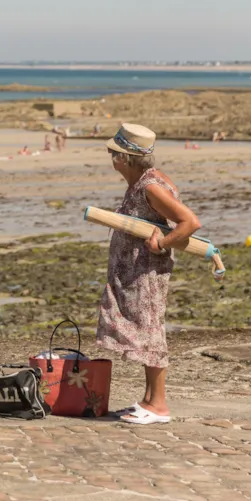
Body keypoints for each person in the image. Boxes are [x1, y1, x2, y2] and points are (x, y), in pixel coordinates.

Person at [98, 124, 201, 425]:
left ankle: (158, 405)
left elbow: (189, 222)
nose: (111, 158)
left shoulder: (150, 186)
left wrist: (163, 244)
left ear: (128, 159)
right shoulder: (141, 182)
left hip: (146, 273)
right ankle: (148, 400)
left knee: (151, 332)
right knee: (144, 331)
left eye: (114, 154)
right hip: (133, 273)